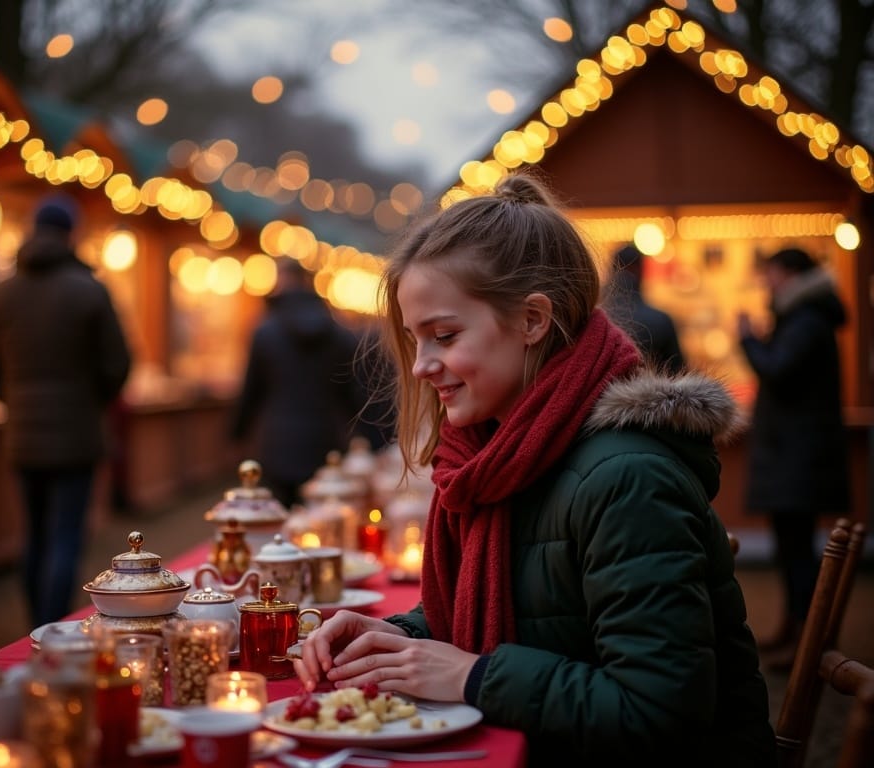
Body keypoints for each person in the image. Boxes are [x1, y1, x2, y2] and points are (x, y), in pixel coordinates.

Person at [294, 172, 776, 767]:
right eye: (417, 341)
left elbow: (659, 714)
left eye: (444, 335)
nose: (421, 366)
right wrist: (401, 637)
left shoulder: (627, 477)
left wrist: (472, 676)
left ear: (532, 321)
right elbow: (531, 612)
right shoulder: (501, 455)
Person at [0, 196, 131, 628]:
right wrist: (91, 402)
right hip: (77, 434)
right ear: (71, 234)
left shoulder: (1, 293)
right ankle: (51, 628)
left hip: (22, 436)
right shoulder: (90, 290)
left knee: (34, 535)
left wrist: (18, 401)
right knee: (66, 534)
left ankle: (34, 625)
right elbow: (118, 364)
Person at [737, 247, 850, 669]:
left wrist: (748, 338)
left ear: (790, 274)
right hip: (796, 455)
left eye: (771, 273)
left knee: (797, 551)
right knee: (791, 548)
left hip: (797, 457)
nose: (766, 281)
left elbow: (777, 370)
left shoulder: (806, 320)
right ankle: (795, 630)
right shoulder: (804, 317)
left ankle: (807, 643)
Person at [230, 257, 367, 507]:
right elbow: (353, 392)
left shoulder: (265, 332)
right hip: (324, 438)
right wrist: (367, 438)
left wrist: (236, 434)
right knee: (323, 513)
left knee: (279, 514)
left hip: (278, 440)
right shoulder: (338, 333)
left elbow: (252, 390)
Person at [605, 244, 686, 374]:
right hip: (651, 386)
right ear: (640, 270)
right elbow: (678, 372)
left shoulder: (596, 320)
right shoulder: (661, 320)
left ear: (612, 271)